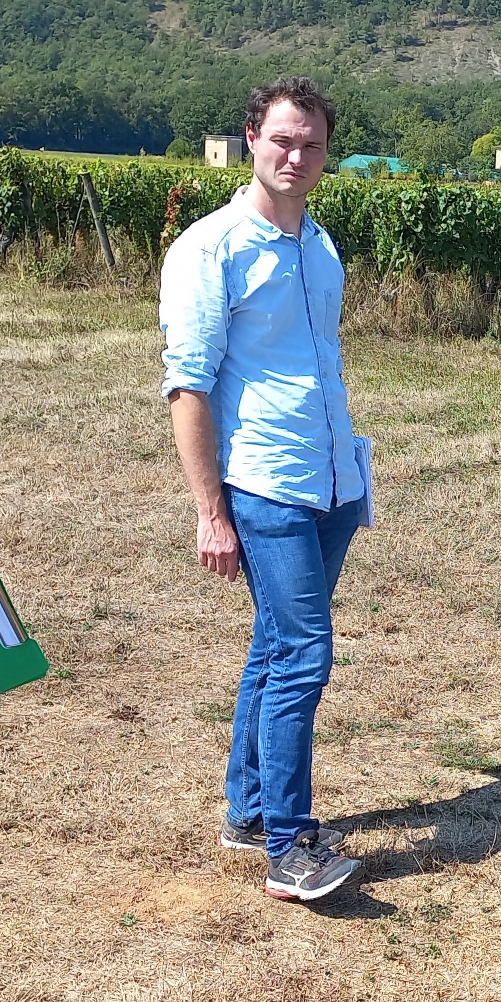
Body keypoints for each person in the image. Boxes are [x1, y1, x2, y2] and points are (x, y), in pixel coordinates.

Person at [161, 76, 368, 902]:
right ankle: (290, 846)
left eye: (311, 143)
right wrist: (211, 510)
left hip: (333, 483)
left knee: (278, 647)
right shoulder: (212, 250)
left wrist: (347, 479)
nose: (296, 155)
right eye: (282, 139)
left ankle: (248, 814)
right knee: (304, 657)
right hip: (266, 485)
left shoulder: (320, 247)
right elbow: (189, 387)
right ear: (252, 138)